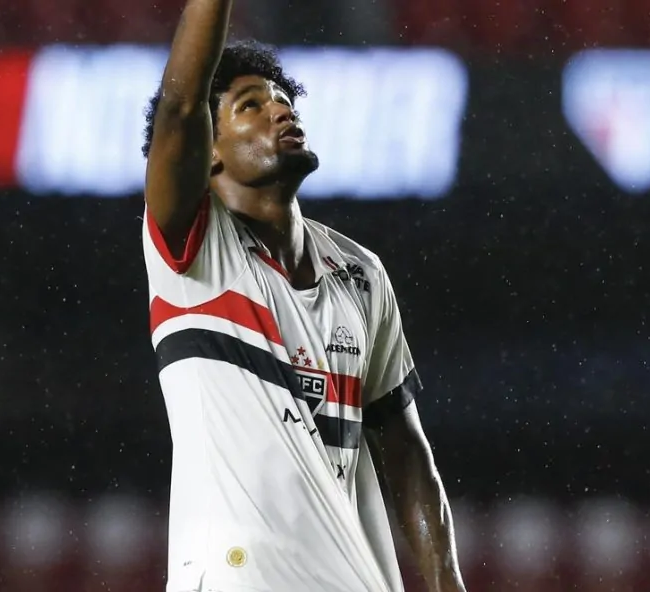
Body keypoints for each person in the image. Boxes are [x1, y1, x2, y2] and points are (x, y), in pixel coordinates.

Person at [140, 1, 467, 591]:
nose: (281, 110)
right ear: (209, 150)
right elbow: (180, 106)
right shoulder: (194, 251)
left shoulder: (361, 273)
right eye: (251, 105)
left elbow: (405, 451)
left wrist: (448, 584)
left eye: (283, 99)